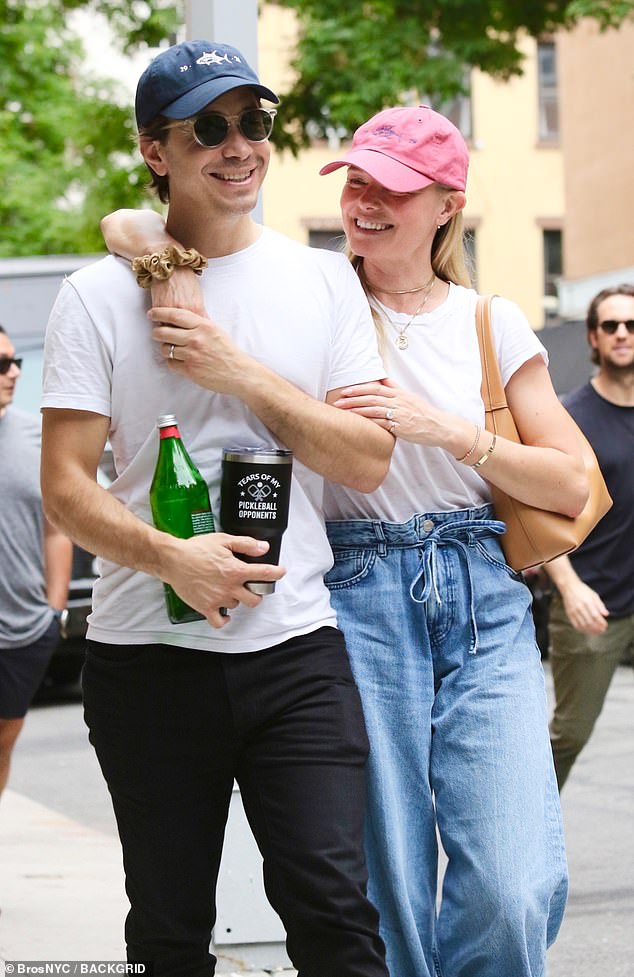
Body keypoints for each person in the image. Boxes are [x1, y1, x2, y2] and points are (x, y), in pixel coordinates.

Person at [105, 104, 591, 977]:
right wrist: (168, 262)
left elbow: (572, 483)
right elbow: (135, 218)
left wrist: (448, 431)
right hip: (357, 588)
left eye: (394, 189)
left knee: (514, 884)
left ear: (448, 204)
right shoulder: (306, 291)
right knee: (384, 884)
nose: (365, 203)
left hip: (480, 587)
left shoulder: (490, 321)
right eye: (357, 182)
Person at [40, 40, 393, 977]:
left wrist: (235, 367)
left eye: (254, 122)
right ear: (157, 150)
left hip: (296, 652)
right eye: (210, 127)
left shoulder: (322, 280)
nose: (239, 146)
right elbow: (66, 485)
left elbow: (367, 458)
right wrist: (173, 558)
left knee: (333, 908)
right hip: (146, 659)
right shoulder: (95, 296)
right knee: (168, 924)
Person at [545, 285, 634, 789]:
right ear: (594, 338)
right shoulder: (570, 416)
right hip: (594, 596)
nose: (623, 334)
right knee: (570, 733)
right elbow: (539, 513)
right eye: (611, 326)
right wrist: (570, 586)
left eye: (631, 325)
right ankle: (525, 839)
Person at [0, 325, 72, 799]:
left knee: (3, 744)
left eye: (14, 362)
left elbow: (58, 525)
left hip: (24, 628)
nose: (12, 373)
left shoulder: (34, 435)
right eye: (1, 365)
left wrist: (54, 611)